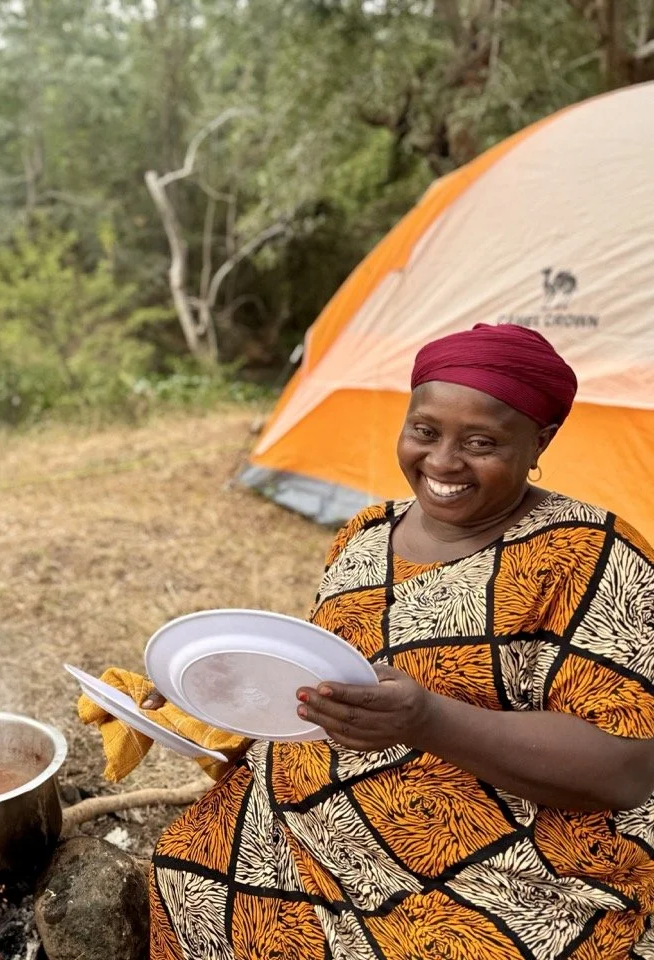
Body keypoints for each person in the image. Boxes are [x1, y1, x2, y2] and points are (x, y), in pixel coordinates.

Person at [86, 323, 654, 958]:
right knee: (189, 872)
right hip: (305, 811)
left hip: (502, 847)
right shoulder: (365, 532)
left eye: (481, 442)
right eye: (425, 432)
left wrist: (431, 721)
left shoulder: (591, 554)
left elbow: (627, 769)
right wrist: (201, 698)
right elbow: (323, 679)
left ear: (539, 442)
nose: (442, 463)